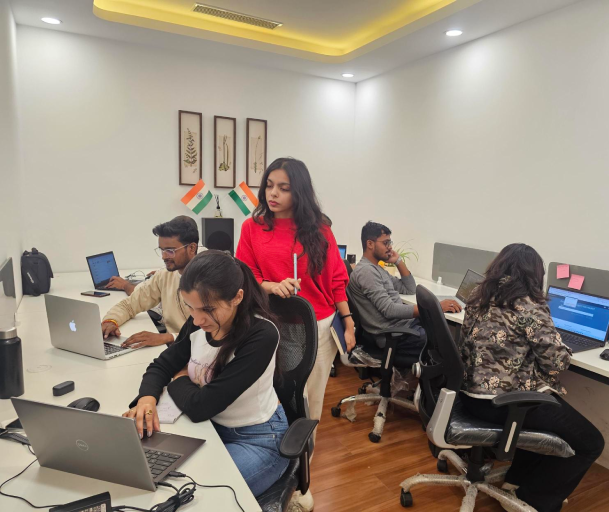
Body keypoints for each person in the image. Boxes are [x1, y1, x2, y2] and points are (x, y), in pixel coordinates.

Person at [236, 157, 352, 510]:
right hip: (269, 325)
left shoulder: (319, 230)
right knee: (269, 399)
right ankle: (269, 466)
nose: (273, 194)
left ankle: (302, 480)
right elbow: (244, 273)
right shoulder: (252, 227)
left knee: (307, 404)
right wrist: (270, 285)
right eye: (269, 185)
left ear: (298, 192)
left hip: (315, 326)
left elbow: (337, 279)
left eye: (283, 188)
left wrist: (348, 321)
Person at [123, 250, 288, 498]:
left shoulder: (262, 335)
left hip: (257, 438)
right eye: (190, 307)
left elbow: (202, 406)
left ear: (237, 297)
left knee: (196, 495)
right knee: (150, 475)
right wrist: (146, 398)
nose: (197, 319)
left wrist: (180, 378)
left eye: (208, 309)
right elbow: (162, 365)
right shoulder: (199, 322)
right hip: (209, 428)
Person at [458, 243, 604, 512]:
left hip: (469, 396)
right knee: (591, 443)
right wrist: (563, 346)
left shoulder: (478, 295)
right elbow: (556, 364)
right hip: (504, 404)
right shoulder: (529, 305)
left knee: (547, 413)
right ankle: (533, 499)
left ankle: (515, 481)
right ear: (534, 274)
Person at [348, 221, 461, 355]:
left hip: (402, 327)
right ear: (370, 244)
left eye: (390, 242)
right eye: (385, 243)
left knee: (443, 335)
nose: (390, 247)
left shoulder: (376, 268)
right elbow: (390, 310)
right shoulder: (366, 272)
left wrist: (398, 261)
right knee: (448, 346)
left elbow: (409, 288)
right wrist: (435, 307)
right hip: (394, 335)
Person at [101, 216, 198, 349]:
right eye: (162, 250)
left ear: (192, 248)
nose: (164, 256)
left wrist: (169, 337)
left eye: (170, 251)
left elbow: (213, 333)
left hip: (198, 353)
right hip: (174, 350)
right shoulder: (165, 275)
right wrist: (111, 321)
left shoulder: (211, 278)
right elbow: (129, 305)